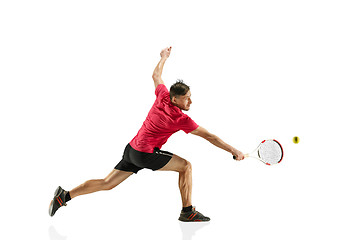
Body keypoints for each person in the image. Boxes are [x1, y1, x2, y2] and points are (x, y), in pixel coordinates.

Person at [49, 46, 245, 222]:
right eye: (186, 99)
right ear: (175, 99)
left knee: (107, 183)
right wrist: (233, 150)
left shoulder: (162, 95)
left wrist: (163, 57)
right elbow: (210, 137)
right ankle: (187, 211)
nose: (190, 103)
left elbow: (156, 76)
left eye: (191, 98)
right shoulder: (180, 118)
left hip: (132, 149)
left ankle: (64, 196)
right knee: (186, 166)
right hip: (145, 154)